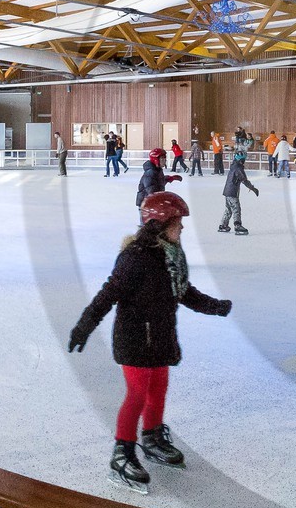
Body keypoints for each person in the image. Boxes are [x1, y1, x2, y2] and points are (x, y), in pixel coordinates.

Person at [68, 192, 231, 490]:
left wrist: (214, 306)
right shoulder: (136, 258)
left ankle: (152, 438)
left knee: (158, 390)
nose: (181, 229)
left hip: (160, 337)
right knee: (137, 396)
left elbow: (184, 292)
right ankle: (122, 454)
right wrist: (85, 325)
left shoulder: (170, 257)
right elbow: (109, 293)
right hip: (134, 339)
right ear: (159, 224)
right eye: (177, 223)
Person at [218, 148, 260, 234]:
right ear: (242, 160)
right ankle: (237, 226)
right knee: (236, 209)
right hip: (232, 192)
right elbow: (244, 180)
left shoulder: (234, 166)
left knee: (228, 209)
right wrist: (253, 189)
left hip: (227, 191)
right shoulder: (238, 168)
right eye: (244, 160)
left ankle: (223, 225)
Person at [136, 148, 182, 217]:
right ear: (156, 160)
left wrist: (169, 178)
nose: (165, 161)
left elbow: (158, 182)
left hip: (151, 204)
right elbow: (152, 191)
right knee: (149, 226)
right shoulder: (150, 172)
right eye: (162, 159)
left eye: (165, 159)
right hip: (146, 206)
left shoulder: (157, 170)